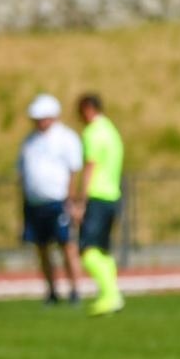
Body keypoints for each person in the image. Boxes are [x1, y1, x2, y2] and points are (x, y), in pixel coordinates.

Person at [17, 93, 82, 304]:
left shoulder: (66, 138)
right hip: (35, 203)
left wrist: (71, 200)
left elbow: (74, 170)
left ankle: (75, 289)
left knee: (66, 245)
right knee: (41, 247)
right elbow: (23, 172)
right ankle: (51, 290)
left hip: (58, 201)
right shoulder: (29, 141)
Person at [71, 93, 126, 317]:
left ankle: (111, 295)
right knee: (103, 250)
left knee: (87, 250)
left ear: (87, 109)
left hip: (97, 195)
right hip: (113, 195)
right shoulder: (112, 131)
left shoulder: (93, 133)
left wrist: (80, 201)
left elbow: (90, 166)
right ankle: (109, 295)